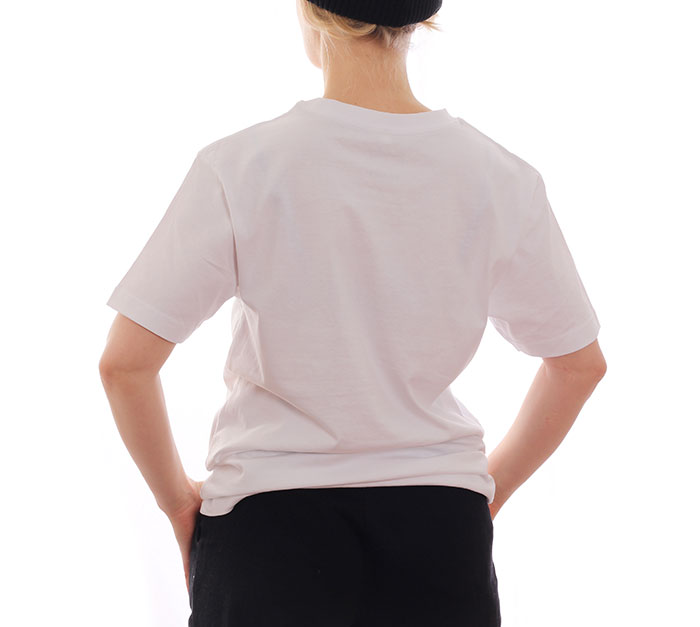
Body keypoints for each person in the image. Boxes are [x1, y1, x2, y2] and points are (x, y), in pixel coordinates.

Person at [99, 1, 607, 625]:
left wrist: (179, 505)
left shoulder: (243, 166)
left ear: (310, 12)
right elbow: (578, 364)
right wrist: (484, 489)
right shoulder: (500, 177)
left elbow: (125, 365)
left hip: (267, 532)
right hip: (439, 534)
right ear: (419, 20)